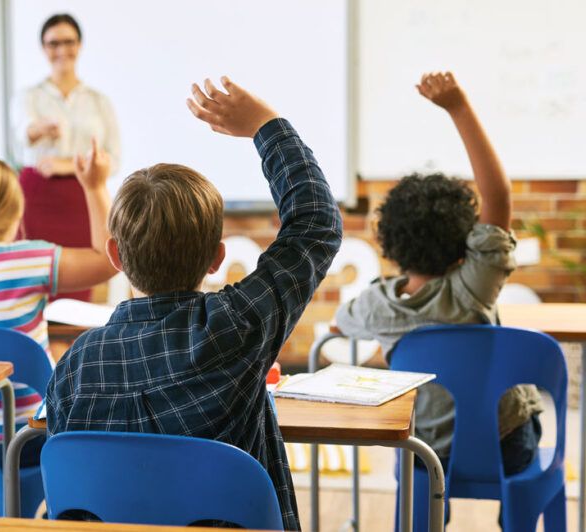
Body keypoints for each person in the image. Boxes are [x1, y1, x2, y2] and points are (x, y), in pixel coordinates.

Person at [46, 76, 344, 530]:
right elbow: (316, 222)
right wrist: (266, 125)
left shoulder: (75, 368)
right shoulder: (236, 328)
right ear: (217, 259)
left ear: (115, 257)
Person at [334, 72, 543, 488]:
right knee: (523, 417)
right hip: (504, 448)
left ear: (390, 243)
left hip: (424, 456)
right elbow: (498, 196)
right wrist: (458, 107)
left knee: (411, 462)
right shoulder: (473, 289)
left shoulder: (378, 306)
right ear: (466, 241)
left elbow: (343, 322)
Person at [0, 141, 117, 460]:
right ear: (16, 211)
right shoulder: (31, 259)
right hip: (24, 440)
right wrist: (95, 187)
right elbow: (109, 258)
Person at [12, 13, 121, 301]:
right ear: (43, 48)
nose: (62, 50)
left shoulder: (99, 101)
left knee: (82, 281)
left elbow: (113, 157)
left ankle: (74, 345)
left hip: (83, 197)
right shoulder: (29, 97)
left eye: (69, 42)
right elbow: (21, 136)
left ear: (80, 45)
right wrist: (38, 129)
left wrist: (66, 164)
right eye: (53, 43)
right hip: (37, 198)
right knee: (33, 280)